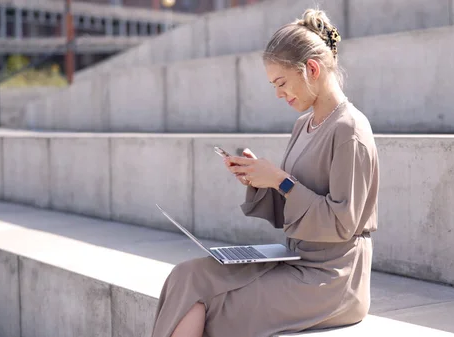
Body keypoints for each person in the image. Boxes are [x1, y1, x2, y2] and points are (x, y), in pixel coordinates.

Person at [150, 8, 379, 337]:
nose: (279, 94)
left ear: (311, 69)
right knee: (185, 277)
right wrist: (259, 179)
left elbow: (343, 224)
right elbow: (294, 203)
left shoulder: (350, 131)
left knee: (209, 305)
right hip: (296, 259)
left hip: (332, 279)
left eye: (282, 83)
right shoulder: (304, 124)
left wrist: (281, 181)